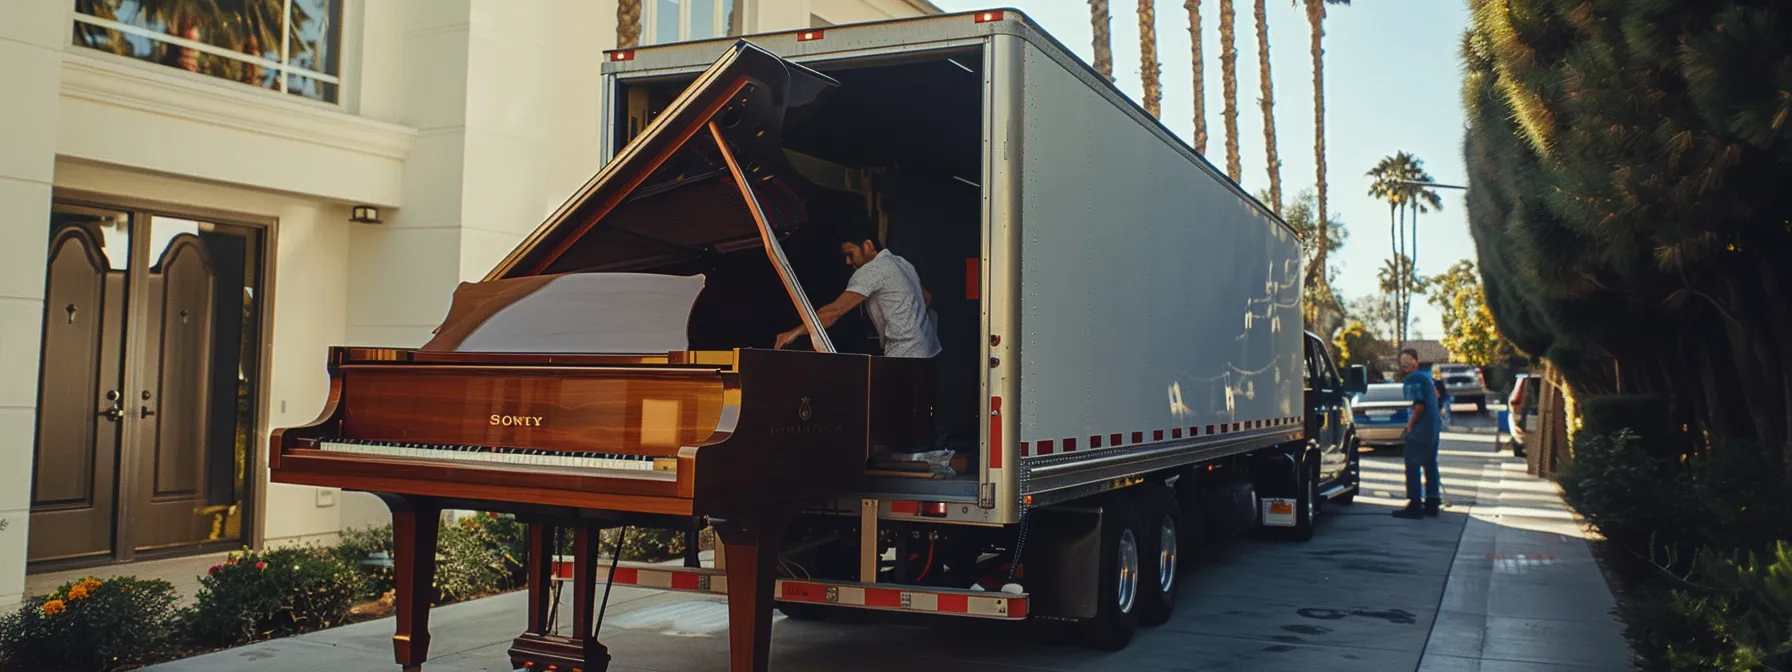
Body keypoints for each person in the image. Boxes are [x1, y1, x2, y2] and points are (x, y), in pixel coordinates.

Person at [773, 226, 939, 358]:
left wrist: (793, 333)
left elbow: (833, 312)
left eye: (850, 254)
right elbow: (926, 298)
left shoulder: (872, 269)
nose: (847, 261)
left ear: (867, 245)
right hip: (928, 352)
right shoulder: (901, 262)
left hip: (905, 354)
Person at [1393, 348, 1444, 519]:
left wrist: (1410, 426)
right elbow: (1435, 396)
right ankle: (1432, 502)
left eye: (1409, 359)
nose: (1405, 363)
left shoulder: (1413, 379)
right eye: (1402, 360)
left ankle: (1414, 503)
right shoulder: (1425, 377)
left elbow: (1419, 406)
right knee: (1430, 462)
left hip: (1422, 427)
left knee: (1412, 462)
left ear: (1416, 361)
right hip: (1434, 425)